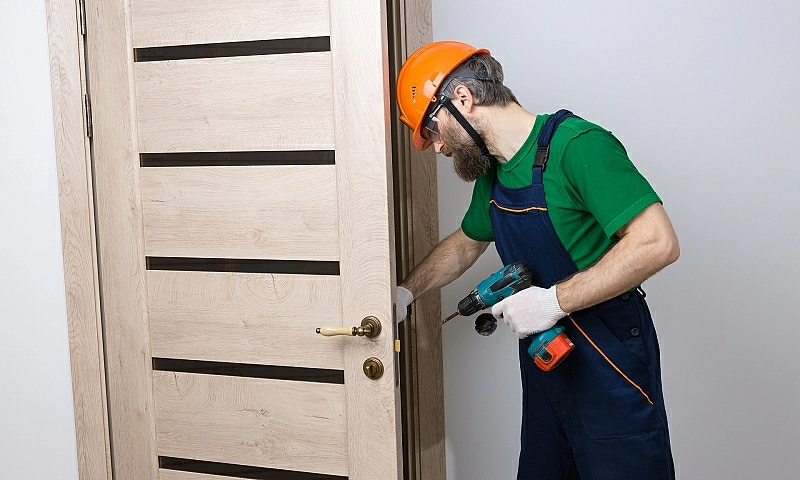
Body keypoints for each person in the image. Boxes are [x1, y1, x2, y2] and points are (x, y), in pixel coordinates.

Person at [394, 41, 679, 479]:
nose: (435, 147)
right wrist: (404, 292)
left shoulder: (578, 146)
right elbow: (465, 245)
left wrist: (552, 302)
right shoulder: (494, 173)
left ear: (463, 100)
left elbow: (657, 242)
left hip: (610, 361)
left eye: (431, 129)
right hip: (548, 368)